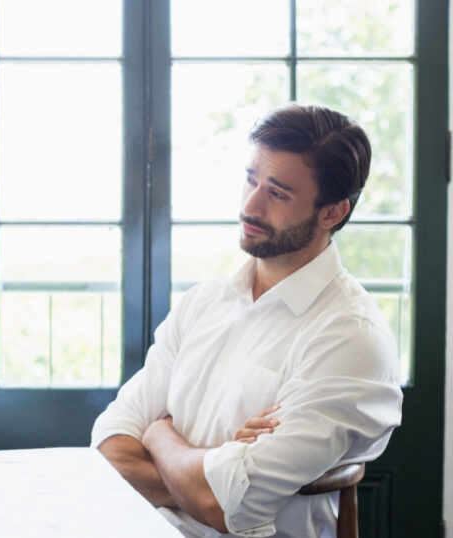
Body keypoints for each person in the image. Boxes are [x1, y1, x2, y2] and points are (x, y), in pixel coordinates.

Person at [91, 104, 402, 537]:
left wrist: (161, 437)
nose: (250, 205)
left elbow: (220, 505)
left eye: (278, 193)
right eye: (251, 179)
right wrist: (211, 467)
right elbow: (109, 449)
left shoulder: (351, 339)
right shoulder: (204, 302)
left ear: (332, 212)